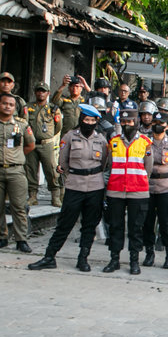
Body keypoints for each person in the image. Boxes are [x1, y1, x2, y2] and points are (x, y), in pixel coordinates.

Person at [28, 104, 110, 271]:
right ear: (81, 120)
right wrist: (72, 176)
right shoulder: (70, 136)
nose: (89, 123)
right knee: (65, 223)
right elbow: (63, 162)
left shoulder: (101, 140)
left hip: (95, 186)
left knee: (89, 225)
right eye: (86, 120)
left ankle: (83, 258)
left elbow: (105, 163)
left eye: (92, 120)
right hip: (75, 185)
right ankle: (49, 256)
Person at [102, 108, 153, 275]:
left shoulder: (145, 142)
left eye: (129, 122)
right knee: (115, 226)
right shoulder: (113, 142)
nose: (126, 125)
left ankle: (134, 260)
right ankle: (114, 259)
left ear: (136, 123)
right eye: (123, 122)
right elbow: (108, 164)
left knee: (135, 227)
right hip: (116, 190)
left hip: (137, 191)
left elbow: (149, 168)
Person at [0, 93, 35, 253]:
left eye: (11, 105)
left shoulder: (22, 125)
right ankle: (1, 237)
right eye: (4, 103)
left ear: (15, 107)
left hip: (16, 170)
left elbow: (30, 145)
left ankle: (21, 239)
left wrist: (16, 157)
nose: (7, 106)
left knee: (19, 206)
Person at [144, 111, 168, 270]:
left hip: (165, 186)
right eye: (155, 123)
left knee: (166, 223)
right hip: (147, 186)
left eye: (161, 124)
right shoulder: (145, 142)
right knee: (147, 222)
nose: (158, 126)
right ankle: (149, 253)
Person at [25, 82, 63, 207]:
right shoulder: (28, 107)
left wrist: (47, 136)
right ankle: (32, 196)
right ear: (35, 92)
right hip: (31, 144)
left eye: (43, 91)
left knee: (51, 170)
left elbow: (58, 127)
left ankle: (55, 197)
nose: (41, 93)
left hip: (46, 144)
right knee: (30, 170)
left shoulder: (53, 108)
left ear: (48, 93)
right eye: (39, 90)